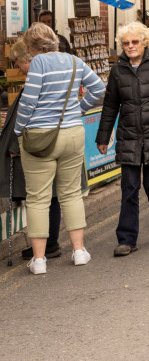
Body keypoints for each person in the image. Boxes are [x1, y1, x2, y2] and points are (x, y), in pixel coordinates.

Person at [15, 23, 105, 273]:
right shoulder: (74, 61)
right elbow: (98, 87)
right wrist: (79, 110)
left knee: (38, 198)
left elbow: (29, 101)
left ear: (32, 46)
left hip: (40, 136)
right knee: (71, 193)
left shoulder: (38, 64)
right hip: (73, 132)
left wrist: (18, 129)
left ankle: (40, 260)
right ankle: (79, 252)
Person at [97, 23, 149, 256]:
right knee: (129, 187)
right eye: (125, 43)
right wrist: (103, 136)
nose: (130, 47)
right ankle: (127, 239)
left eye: (134, 42)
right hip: (129, 135)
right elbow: (110, 105)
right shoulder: (118, 69)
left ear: (144, 42)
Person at [1, 40, 64, 261]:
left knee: (43, 197)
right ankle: (49, 242)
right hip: (49, 141)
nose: (18, 68)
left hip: (38, 145)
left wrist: (15, 143)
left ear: (29, 59)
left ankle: (48, 244)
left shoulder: (37, 81)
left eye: (18, 63)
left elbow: (27, 115)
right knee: (50, 195)